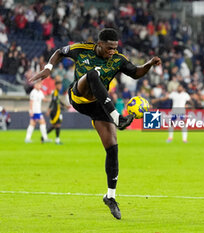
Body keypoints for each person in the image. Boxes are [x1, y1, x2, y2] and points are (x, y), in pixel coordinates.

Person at [29, 28, 161, 220]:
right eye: (109, 47)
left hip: (99, 104)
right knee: (92, 75)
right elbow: (60, 52)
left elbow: (135, 73)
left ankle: (110, 196)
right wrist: (48, 69)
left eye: (115, 48)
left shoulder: (118, 59)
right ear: (99, 44)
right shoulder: (82, 49)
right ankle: (118, 118)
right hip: (79, 96)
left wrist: (149, 64)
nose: (112, 51)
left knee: (112, 148)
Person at [43, 80, 68, 144]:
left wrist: (65, 105)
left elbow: (58, 101)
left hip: (56, 111)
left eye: (61, 85)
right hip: (54, 112)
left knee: (54, 126)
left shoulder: (57, 93)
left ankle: (43, 137)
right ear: (56, 86)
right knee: (58, 125)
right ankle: (57, 140)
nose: (60, 86)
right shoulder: (55, 93)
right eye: (59, 85)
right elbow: (53, 102)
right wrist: (49, 110)